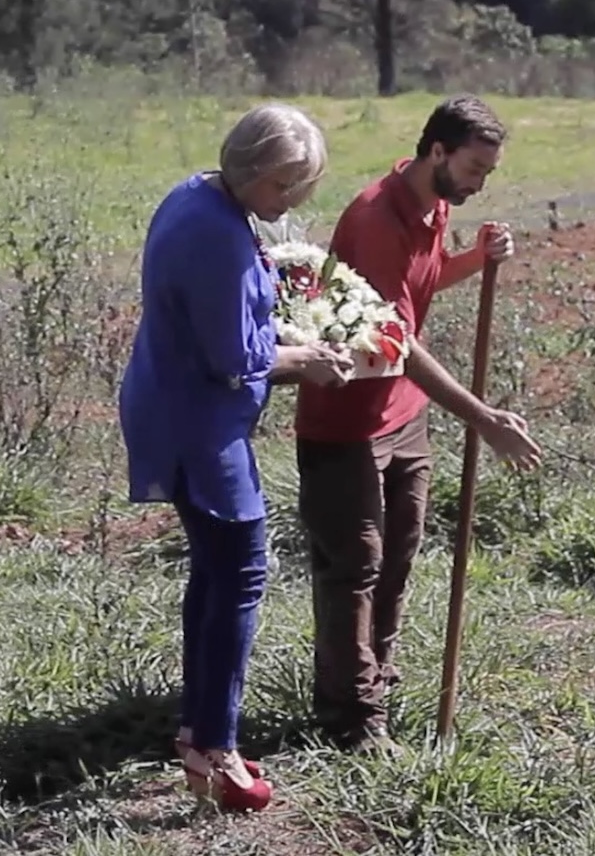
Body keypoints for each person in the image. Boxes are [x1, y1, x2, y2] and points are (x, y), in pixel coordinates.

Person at [118, 102, 357, 811]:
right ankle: (215, 750)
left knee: (218, 571)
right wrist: (307, 357)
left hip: (174, 400)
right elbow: (233, 358)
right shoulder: (218, 236)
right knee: (243, 567)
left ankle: (199, 731)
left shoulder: (197, 194)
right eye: (284, 188)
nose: (288, 204)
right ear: (250, 169)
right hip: (198, 419)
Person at [292, 94, 545, 755]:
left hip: (403, 416)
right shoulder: (377, 218)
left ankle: (374, 682)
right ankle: (351, 719)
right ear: (438, 151)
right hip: (347, 419)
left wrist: (477, 258)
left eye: (487, 172)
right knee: (356, 567)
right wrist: (483, 418)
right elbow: (395, 342)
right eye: (474, 168)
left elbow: (418, 288)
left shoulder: (433, 204)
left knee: (398, 559)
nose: (479, 183)